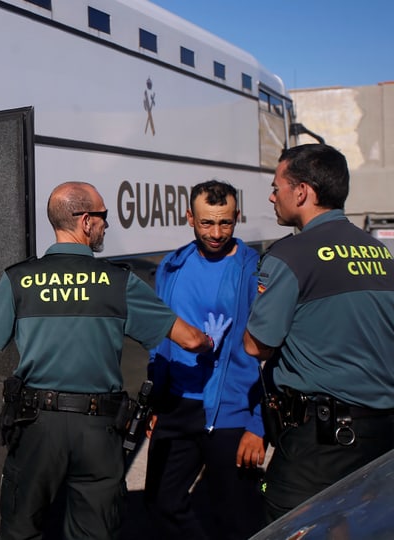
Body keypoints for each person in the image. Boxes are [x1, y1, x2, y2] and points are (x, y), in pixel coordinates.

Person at [0, 181, 229, 540]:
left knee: (21, 528)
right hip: (97, 430)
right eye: (102, 217)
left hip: (36, 425)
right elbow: (190, 339)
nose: (106, 225)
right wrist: (211, 341)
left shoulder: (18, 279)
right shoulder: (118, 282)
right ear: (85, 221)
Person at [243, 144, 394, 523]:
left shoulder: (290, 256)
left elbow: (255, 345)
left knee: (293, 524)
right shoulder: (382, 254)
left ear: (303, 191)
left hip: (320, 442)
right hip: (383, 435)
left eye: (277, 185)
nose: (272, 195)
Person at [144, 180, 265, 539]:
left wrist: (257, 424)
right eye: (206, 223)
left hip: (231, 410)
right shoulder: (172, 265)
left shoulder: (253, 268)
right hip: (177, 407)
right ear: (189, 218)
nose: (216, 233)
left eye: (225, 223)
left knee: (235, 518)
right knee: (162, 504)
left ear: (237, 218)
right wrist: (156, 398)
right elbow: (159, 338)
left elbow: (270, 352)